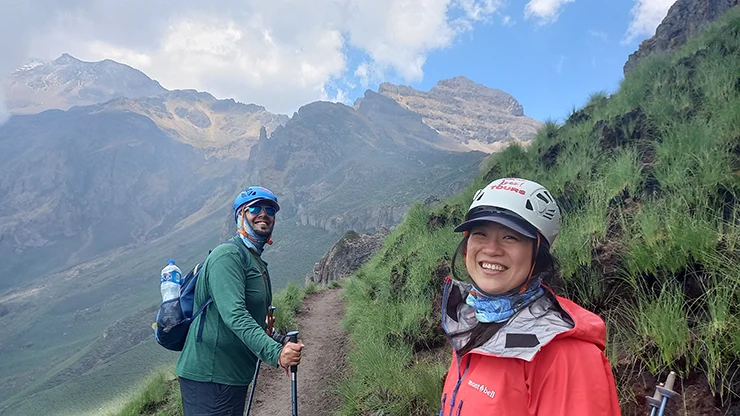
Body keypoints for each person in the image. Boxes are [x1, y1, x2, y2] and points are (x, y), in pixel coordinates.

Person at [440, 177, 621, 415]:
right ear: (466, 248)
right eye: (480, 233)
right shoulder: (472, 322)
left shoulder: (564, 353)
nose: (491, 249)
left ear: (538, 257)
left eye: (510, 237)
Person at [176, 186, 304, 416]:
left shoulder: (253, 260)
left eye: (270, 210)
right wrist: (276, 353)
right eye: (255, 208)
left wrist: (279, 338)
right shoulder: (228, 256)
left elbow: (253, 317)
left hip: (232, 373)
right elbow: (234, 314)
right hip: (210, 376)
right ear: (240, 215)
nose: (264, 214)